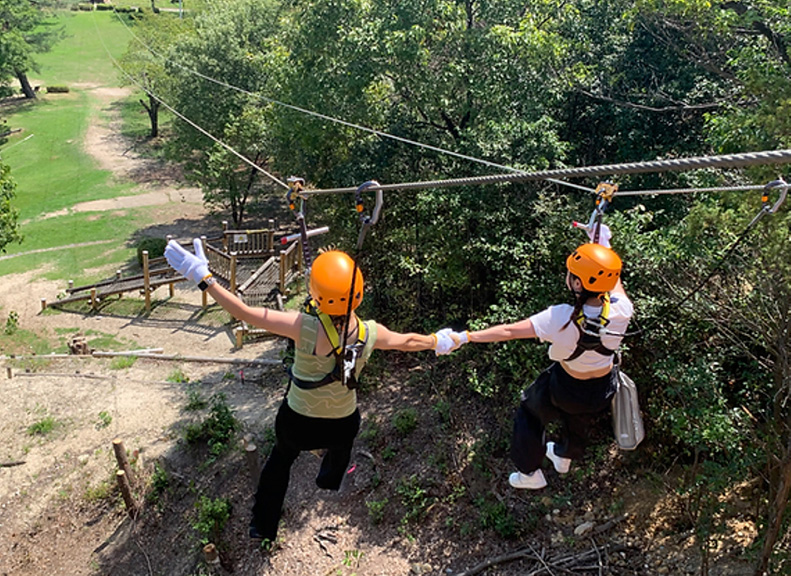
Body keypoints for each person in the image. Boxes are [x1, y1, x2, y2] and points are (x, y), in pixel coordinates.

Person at [165, 240, 457, 545]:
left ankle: (263, 526)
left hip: (298, 423)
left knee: (279, 462)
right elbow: (408, 341)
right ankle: (329, 480)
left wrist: (203, 276)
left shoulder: (302, 326)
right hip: (341, 424)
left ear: (317, 296)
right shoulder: (372, 332)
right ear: (357, 293)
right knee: (343, 442)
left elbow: (244, 312)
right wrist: (438, 340)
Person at [447, 226, 633, 489]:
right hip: (602, 389)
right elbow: (612, 281)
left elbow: (509, 331)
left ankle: (529, 473)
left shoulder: (560, 318)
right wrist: (603, 244)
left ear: (577, 283)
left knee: (529, 411)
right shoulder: (623, 310)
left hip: (566, 387)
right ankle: (564, 456)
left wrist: (466, 336)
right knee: (579, 418)